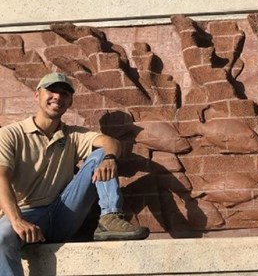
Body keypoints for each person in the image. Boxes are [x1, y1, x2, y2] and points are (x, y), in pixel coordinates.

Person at [0, 72, 149, 275]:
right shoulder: (11, 134)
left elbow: (111, 143)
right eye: (51, 91)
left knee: (101, 153)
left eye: (64, 94)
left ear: (70, 101)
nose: (58, 97)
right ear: (37, 95)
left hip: (64, 213)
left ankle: (110, 218)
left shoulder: (73, 135)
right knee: (1, 237)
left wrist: (109, 158)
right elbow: (1, 177)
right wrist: (17, 220)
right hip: (25, 215)